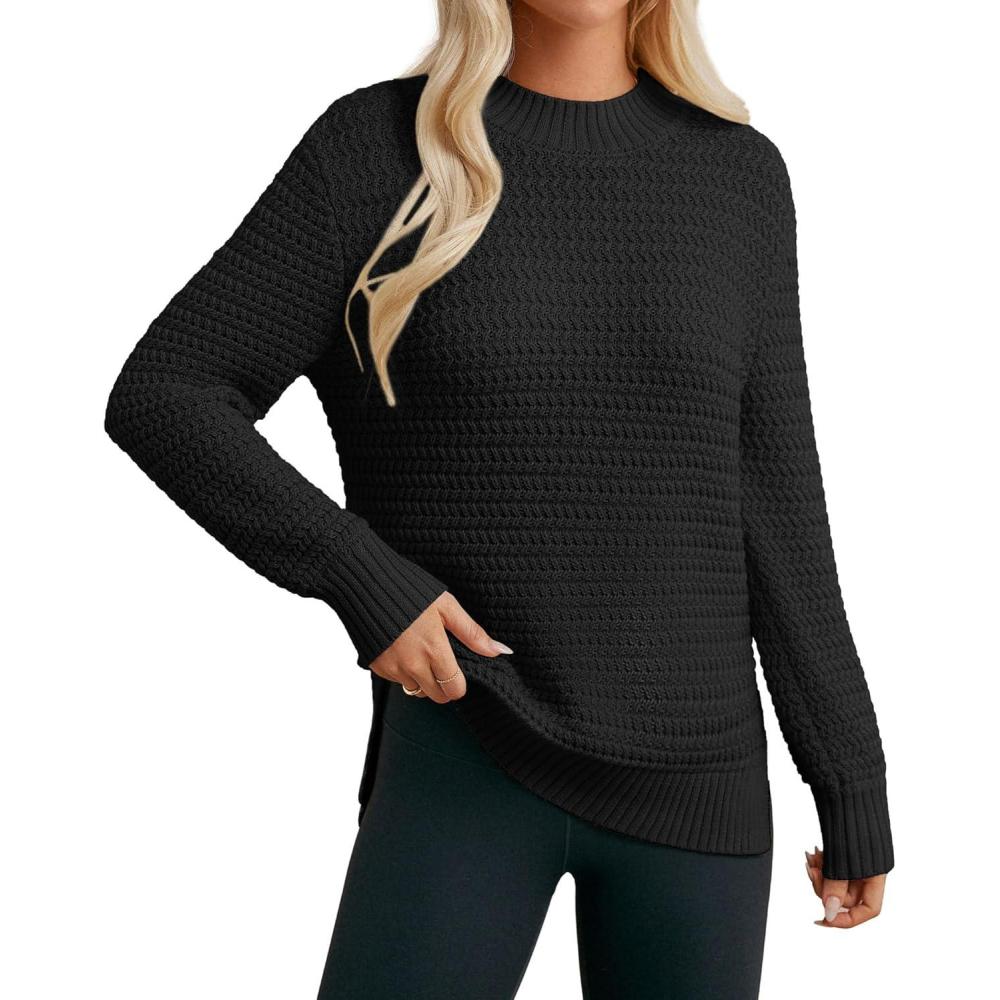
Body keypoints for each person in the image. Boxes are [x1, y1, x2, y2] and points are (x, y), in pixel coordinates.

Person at [103, 1, 894, 997]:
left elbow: (778, 504)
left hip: (698, 783)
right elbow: (169, 394)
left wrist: (848, 775)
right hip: (463, 754)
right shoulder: (377, 150)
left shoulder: (736, 176)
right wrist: (365, 582)